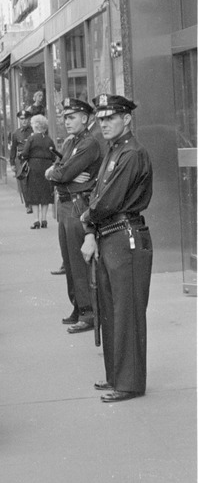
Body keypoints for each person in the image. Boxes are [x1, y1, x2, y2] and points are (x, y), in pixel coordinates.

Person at [80, 94, 153, 403]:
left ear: (127, 119)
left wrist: (86, 219)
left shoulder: (132, 153)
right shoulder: (115, 151)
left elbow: (105, 200)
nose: (104, 123)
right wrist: (92, 228)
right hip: (112, 235)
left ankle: (129, 382)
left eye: (111, 117)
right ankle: (117, 376)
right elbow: (98, 194)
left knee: (127, 312)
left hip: (126, 236)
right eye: (102, 118)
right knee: (111, 310)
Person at [45, 99, 103, 332]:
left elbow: (64, 171)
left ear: (85, 119)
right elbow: (57, 169)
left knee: (79, 262)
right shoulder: (71, 142)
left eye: (72, 117)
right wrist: (59, 172)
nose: (66, 121)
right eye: (65, 117)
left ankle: (88, 312)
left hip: (78, 206)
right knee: (69, 262)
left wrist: (60, 173)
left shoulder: (88, 144)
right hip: (67, 204)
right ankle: (78, 306)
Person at [19, 115, 57, 229]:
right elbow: (54, 154)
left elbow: (25, 153)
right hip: (46, 167)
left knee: (34, 193)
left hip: (34, 167)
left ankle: (36, 220)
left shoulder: (31, 138)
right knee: (45, 193)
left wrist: (22, 157)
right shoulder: (49, 139)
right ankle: (44, 219)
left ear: (35, 125)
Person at [9, 109, 33, 213]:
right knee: (23, 183)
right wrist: (12, 163)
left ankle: (34, 202)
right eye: (22, 119)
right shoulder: (15, 133)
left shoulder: (33, 131)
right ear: (19, 120)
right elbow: (13, 149)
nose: (24, 121)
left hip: (31, 158)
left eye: (26, 119)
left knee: (32, 181)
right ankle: (28, 204)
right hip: (20, 160)